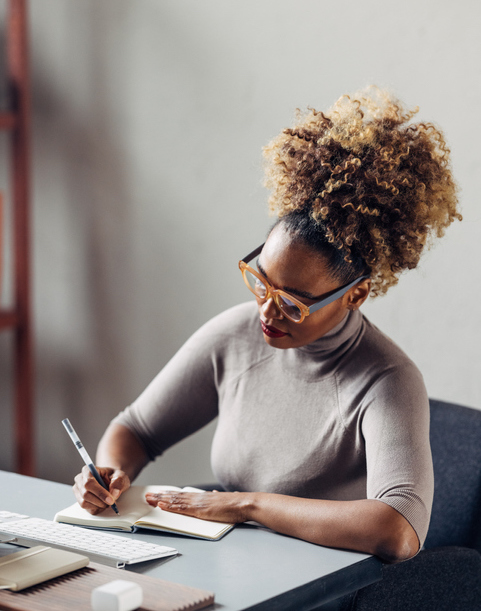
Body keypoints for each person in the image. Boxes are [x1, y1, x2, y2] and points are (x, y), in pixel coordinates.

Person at [73, 87, 461, 563]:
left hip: (320, 589)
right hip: (231, 566)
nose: (267, 312)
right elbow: (135, 429)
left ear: (355, 294)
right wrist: (107, 475)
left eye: (294, 303)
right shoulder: (234, 335)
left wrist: (245, 505)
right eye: (261, 282)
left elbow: (397, 530)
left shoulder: (387, 381)